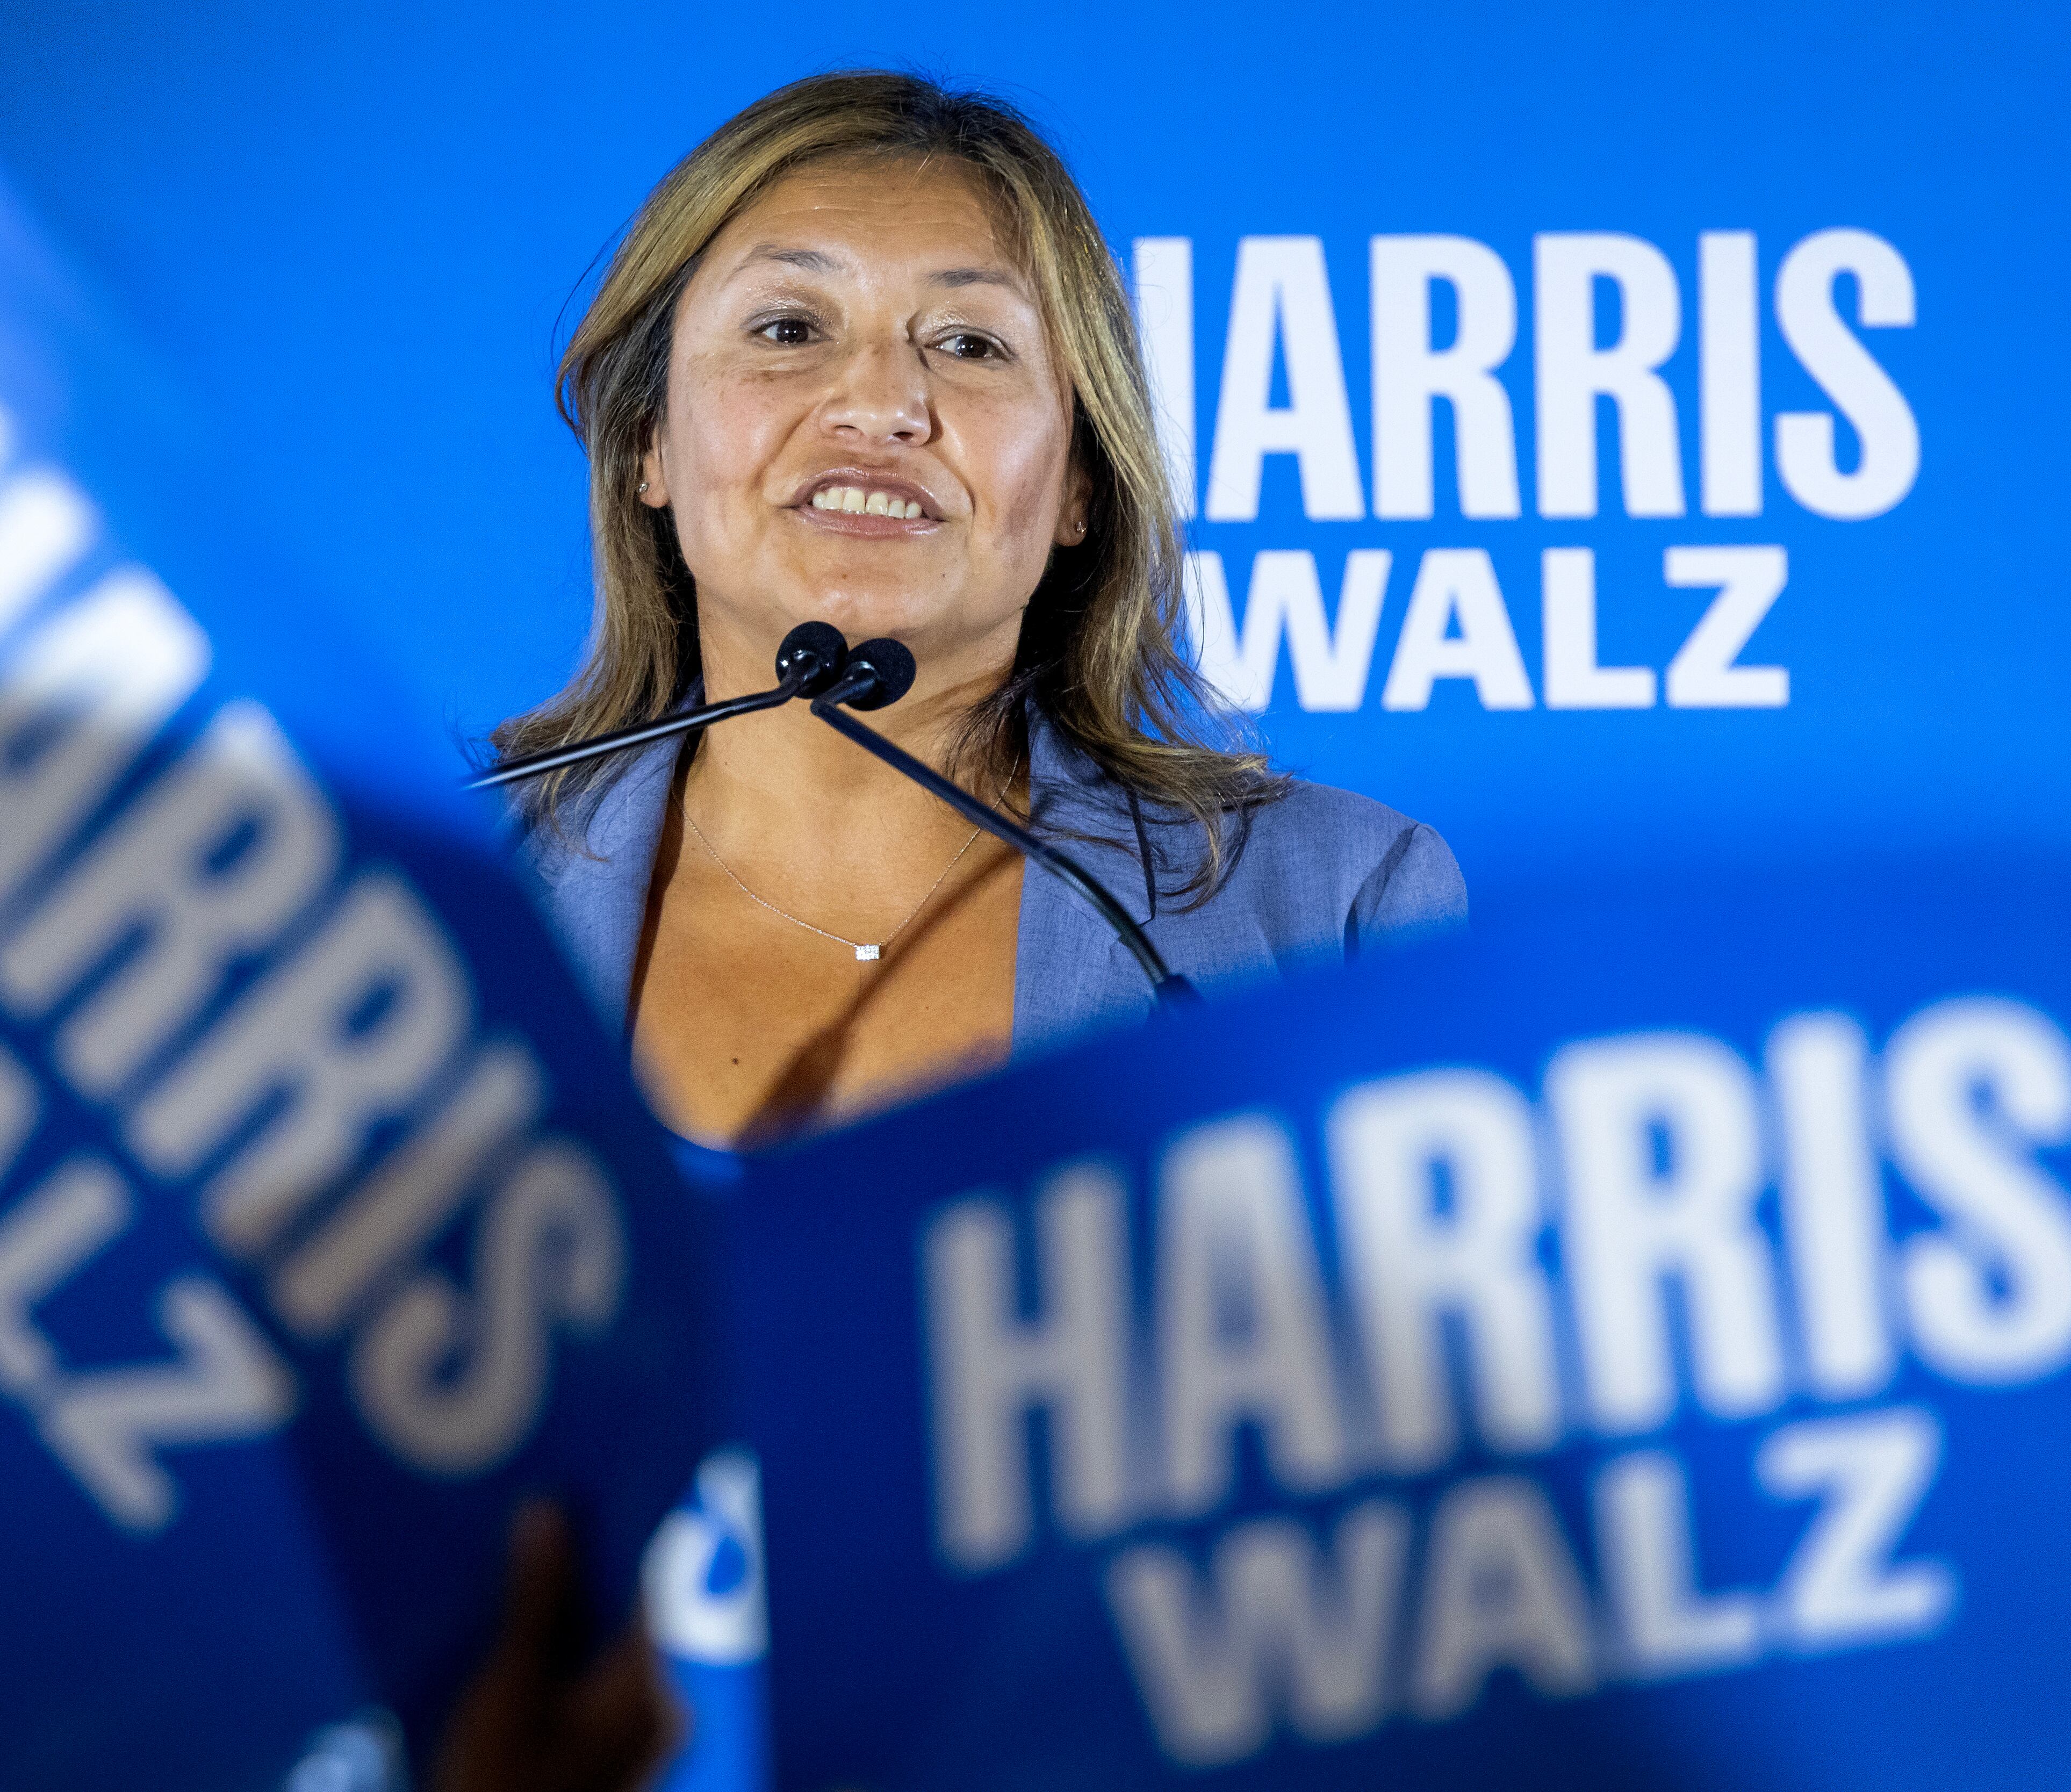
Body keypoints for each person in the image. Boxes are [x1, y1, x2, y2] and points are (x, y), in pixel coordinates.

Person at [499, 70, 1462, 1154]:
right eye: (786, 328)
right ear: (649, 445)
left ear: (1079, 484)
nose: (878, 404)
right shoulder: (424, 905)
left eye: (968, 344)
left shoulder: (1339, 913)